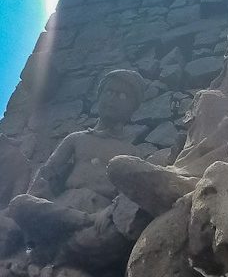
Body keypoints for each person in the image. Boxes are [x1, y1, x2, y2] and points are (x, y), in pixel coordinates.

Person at [108, 9, 228, 217]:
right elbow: (183, 148)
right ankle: (196, 191)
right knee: (120, 165)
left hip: (227, 180)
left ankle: (202, 192)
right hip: (182, 174)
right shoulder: (204, 98)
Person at [8, 68, 146, 258]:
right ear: (99, 96)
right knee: (20, 203)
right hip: (63, 206)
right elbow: (46, 175)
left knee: (114, 238)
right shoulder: (76, 139)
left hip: (101, 213)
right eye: (109, 91)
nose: (113, 98)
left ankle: (56, 246)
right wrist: (34, 201)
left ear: (133, 108)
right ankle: (80, 224)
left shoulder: (132, 152)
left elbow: (129, 194)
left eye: (123, 95)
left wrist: (110, 211)